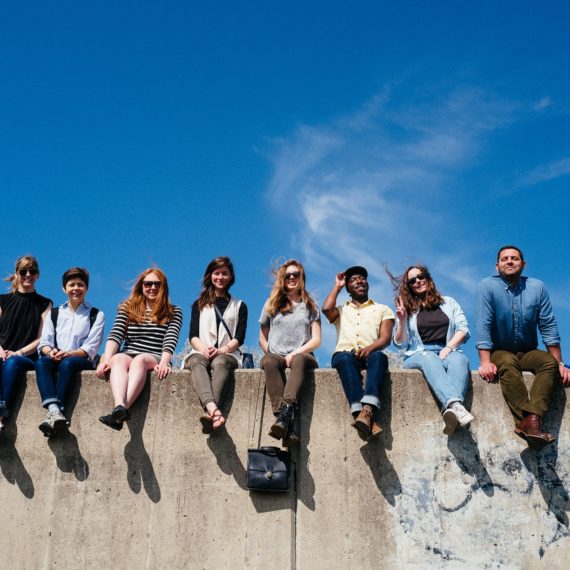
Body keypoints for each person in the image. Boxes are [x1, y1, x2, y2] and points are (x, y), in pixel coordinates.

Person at [476, 245, 570, 448]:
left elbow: (548, 325)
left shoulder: (537, 287)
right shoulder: (487, 286)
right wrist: (485, 361)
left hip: (528, 350)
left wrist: (560, 362)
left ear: (523, 264)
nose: (509, 261)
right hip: (500, 350)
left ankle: (529, 422)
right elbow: (483, 323)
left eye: (514, 258)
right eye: (504, 259)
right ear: (497, 265)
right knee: (508, 364)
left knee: (549, 364)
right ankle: (532, 423)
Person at [390, 264, 474, 435]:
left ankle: (451, 414)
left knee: (460, 360)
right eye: (412, 281)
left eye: (420, 277)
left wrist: (449, 348)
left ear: (427, 277)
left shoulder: (449, 302)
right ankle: (455, 405)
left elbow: (463, 329)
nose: (418, 281)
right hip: (419, 355)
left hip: (448, 350)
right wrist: (402, 320)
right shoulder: (409, 310)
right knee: (429, 357)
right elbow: (400, 343)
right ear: (409, 287)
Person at [96, 268, 182, 430]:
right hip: (129, 352)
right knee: (118, 359)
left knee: (140, 360)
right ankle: (120, 407)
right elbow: (116, 334)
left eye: (158, 284)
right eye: (148, 283)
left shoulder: (173, 311)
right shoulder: (128, 307)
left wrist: (164, 362)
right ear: (141, 286)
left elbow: (171, 338)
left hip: (154, 355)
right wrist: (106, 360)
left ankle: (120, 411)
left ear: (163, 287)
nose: (153, 287)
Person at [322, 266, 394, 440]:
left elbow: (385, 338)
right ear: (347, 288)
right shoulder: (341, 310)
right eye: (353, 280)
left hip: (371, 353)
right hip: (345, 354)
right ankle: (364, 419)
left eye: (362, 278)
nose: (359, 281)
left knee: (380, 357)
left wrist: (369, 348)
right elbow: (326, 309)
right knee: (345, 358)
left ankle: (366, 411)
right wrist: (337, 287)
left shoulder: (383, 309)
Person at [35, 267, 105, 437]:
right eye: (71, 285)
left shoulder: (96, 314)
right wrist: (50, 352)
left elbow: (91, 347)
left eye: (80, 285)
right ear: (64, 288)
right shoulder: (54, 314)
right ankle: (54, 411)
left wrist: (69, 353)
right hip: (56, 356)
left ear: (86, 288)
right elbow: (44, 343)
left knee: (68, 363)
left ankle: (55, 412)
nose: (76, 288)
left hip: (80, 360)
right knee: (41, 362)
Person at [259, 259, 321, 446]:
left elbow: (317, 340)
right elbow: (262, 336)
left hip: (303, 354)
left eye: (296, 274)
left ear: (302, 278)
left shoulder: (310, 304)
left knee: (300, 359)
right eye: (288, 275)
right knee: (268, 361)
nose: (292, 278)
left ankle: (286, 411)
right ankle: (286, 422)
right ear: (282, 279)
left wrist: (295, 353)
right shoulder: (272, 303)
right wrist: (273, 352)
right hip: (278, 354)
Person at [183, 256, 248, 433]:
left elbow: (239, 337)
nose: (220, 277)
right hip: (200, 349)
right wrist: (203, 348)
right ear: (210, 275)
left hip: (228, 352)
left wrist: (222, 350)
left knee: (220, 362)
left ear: (231, 277)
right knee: (196, 362)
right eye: (217, 273)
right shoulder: (199, 304)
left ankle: (210, 410)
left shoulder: (239, 305)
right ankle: (214, 411)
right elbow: (193, 335)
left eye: (224, 274)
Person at [0, 256, 52, 437]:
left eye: (32, 271)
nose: (28, 275)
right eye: (23, 271)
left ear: (38, 275)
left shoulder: (45, 303)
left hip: (26, 358)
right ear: (17, 274)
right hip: (2, 354)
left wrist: (19, 352)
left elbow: (42, 337)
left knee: (12, 364)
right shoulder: (3, 300)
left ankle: (1, 418)